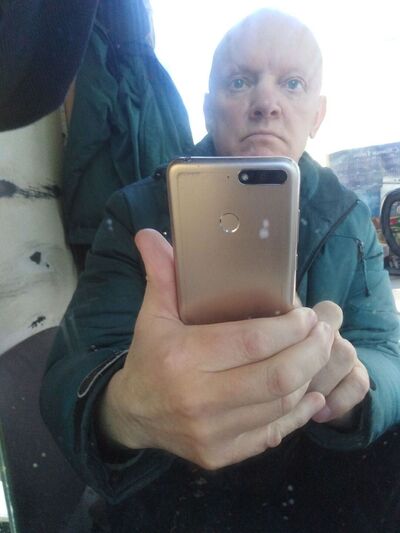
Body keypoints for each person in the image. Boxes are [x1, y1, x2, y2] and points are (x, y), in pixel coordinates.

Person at [40, 9, 400, 532]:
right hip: (170, 495)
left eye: (292, 84)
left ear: (317, 115)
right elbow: (74, 366)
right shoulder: (136, 212)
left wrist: (355, 394)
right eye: (240, 81)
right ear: (208, 109)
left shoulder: (351, 219)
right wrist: (127, 410)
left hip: (319, 488)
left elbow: (388, 351)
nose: (266, 103)